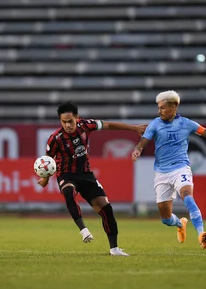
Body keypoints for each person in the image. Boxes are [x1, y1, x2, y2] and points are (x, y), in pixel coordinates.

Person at [131, 90, 206, 249]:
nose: (159, 111)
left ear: (173, 107)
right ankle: (180, 223)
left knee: (187, 196)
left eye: (162, 108)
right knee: (165, 218)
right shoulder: (155, 124)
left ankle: (201, 234)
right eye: (158, 108)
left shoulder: (187, 124)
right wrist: (138, 149)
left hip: (181, 168)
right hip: (162, 172)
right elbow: (143, 140)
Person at [38, 102, 146, 256]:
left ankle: (114, 249)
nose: (67, 125)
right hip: (66, 174)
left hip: (86, 174)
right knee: (69, 191)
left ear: (77, 118)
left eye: (70, 121)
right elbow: (48, 160)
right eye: (64, 122)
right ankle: (83, 230)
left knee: (106, 207)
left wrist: (134, 128)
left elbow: (108, 125)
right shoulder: (55, 138)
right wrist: (45, 178)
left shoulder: (86, 125)